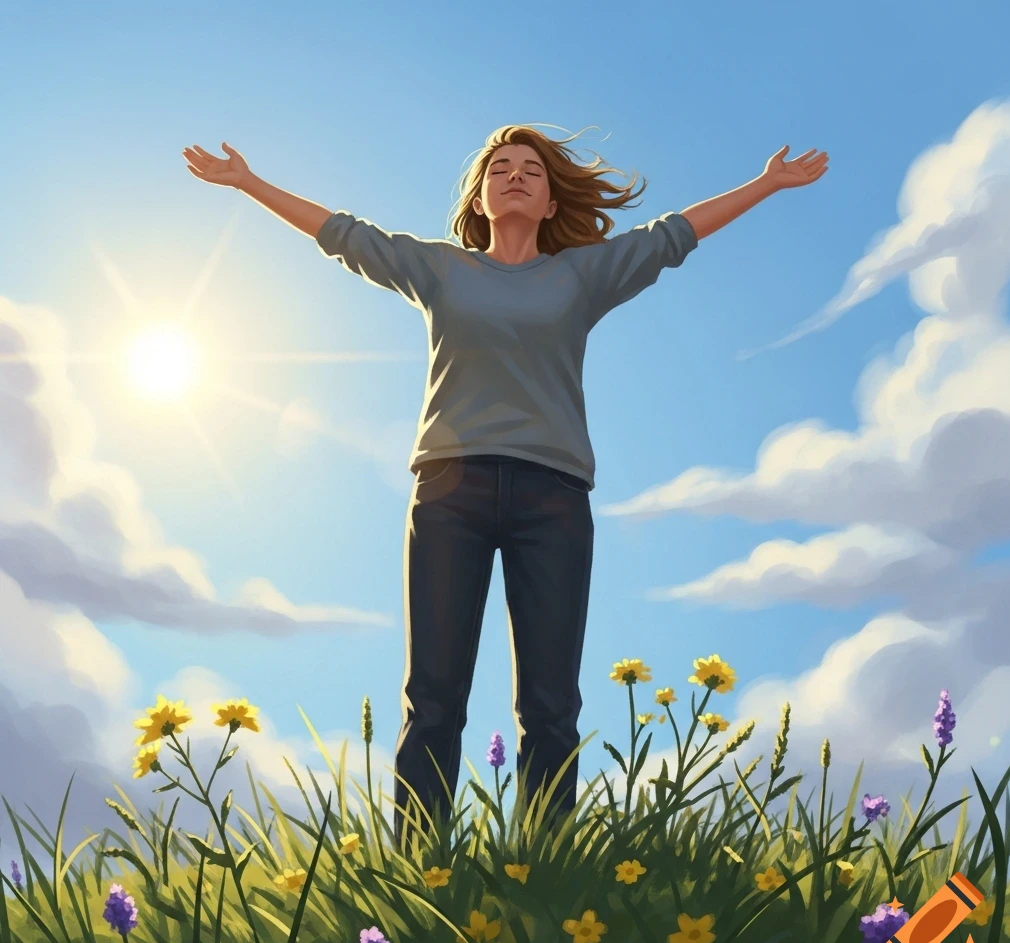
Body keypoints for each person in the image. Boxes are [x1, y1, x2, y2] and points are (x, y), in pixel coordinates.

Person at [182, 125, 828, 851]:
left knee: (550, 704)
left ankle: (545, 863)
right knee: (432, 696)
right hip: (448, 494)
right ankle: (421, 861)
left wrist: (767, 183)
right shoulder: (439, 269)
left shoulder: (582, 276)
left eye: (530, 170)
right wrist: (248, 182)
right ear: (479, 199)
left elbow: (672, 235)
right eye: (499, 169)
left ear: (551, 202)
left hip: (553, 498)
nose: (514, 176)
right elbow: (344, 236)